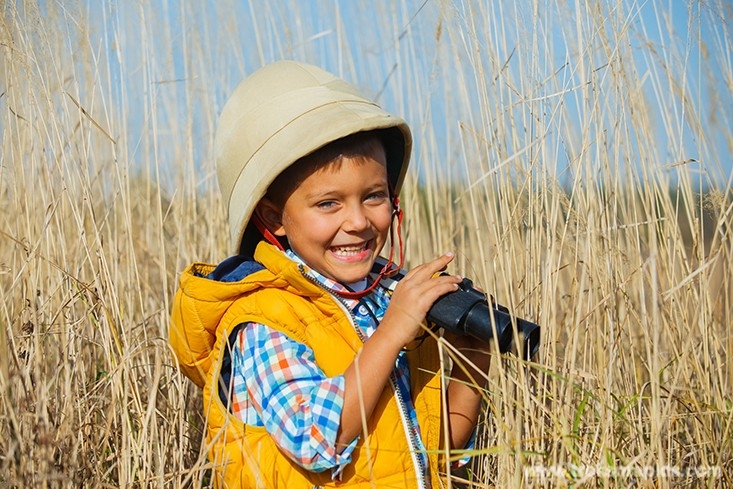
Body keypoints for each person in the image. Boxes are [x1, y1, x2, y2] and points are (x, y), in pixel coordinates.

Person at [169, 60, 492, 488]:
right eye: (328, 204)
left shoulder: (381, 301)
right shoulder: (267, 322)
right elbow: (315, 442)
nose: (358, 221)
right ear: (273, 217)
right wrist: (393, 332)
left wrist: (473, 366)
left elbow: (429, 460)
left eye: (374, 196)